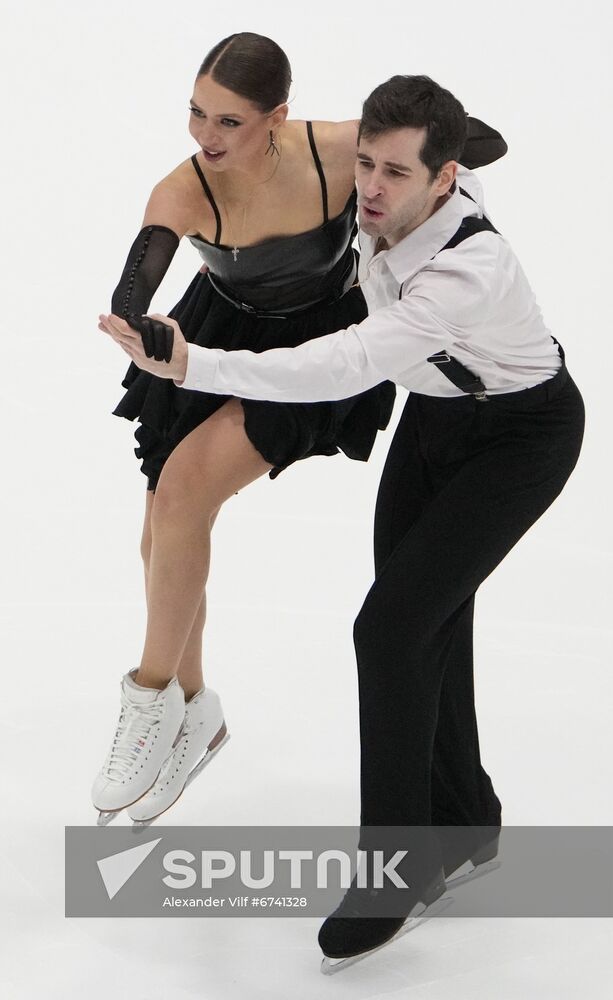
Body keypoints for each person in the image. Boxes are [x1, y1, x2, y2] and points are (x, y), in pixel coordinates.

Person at [101, 74, 585, 969]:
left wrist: (195, 365)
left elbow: (344, 363)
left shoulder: (465, 269)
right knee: (432, 616)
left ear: (444, 181)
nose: (369, 188)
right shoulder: (394, 182)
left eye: (397, 173)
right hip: (438, 418)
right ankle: (464, 818)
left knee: (391, 629)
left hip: (520, 437)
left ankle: (395, 871)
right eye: (365, 163)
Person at [92, 36, 506, 830]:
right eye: (195, 112)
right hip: (216, 333)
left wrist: (430, 169)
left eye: (229, 120)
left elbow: (476, 141)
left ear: (276, 117)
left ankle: (147, 699)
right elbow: (139, 274)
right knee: (161, 532)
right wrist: (138, 319)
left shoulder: (335, 148)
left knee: (183, 495)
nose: (205, 136)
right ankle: (193, 711)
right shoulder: (183, 188)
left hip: (318, 347)